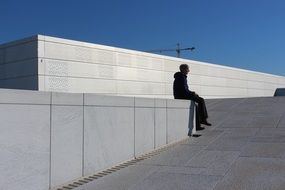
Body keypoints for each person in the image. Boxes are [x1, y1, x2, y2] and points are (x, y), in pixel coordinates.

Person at [173, 64, 211, 130]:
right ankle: (203, 119)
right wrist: (193, 93)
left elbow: (184, 90)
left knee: (195, 106)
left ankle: (198, 125)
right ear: (183, 69)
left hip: (181, 95)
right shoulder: (181, 77)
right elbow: (184, 90)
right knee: (201, 100)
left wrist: (193, 93)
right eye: (187, 69)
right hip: (182, 96)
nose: (188, 71)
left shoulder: (180, 77)